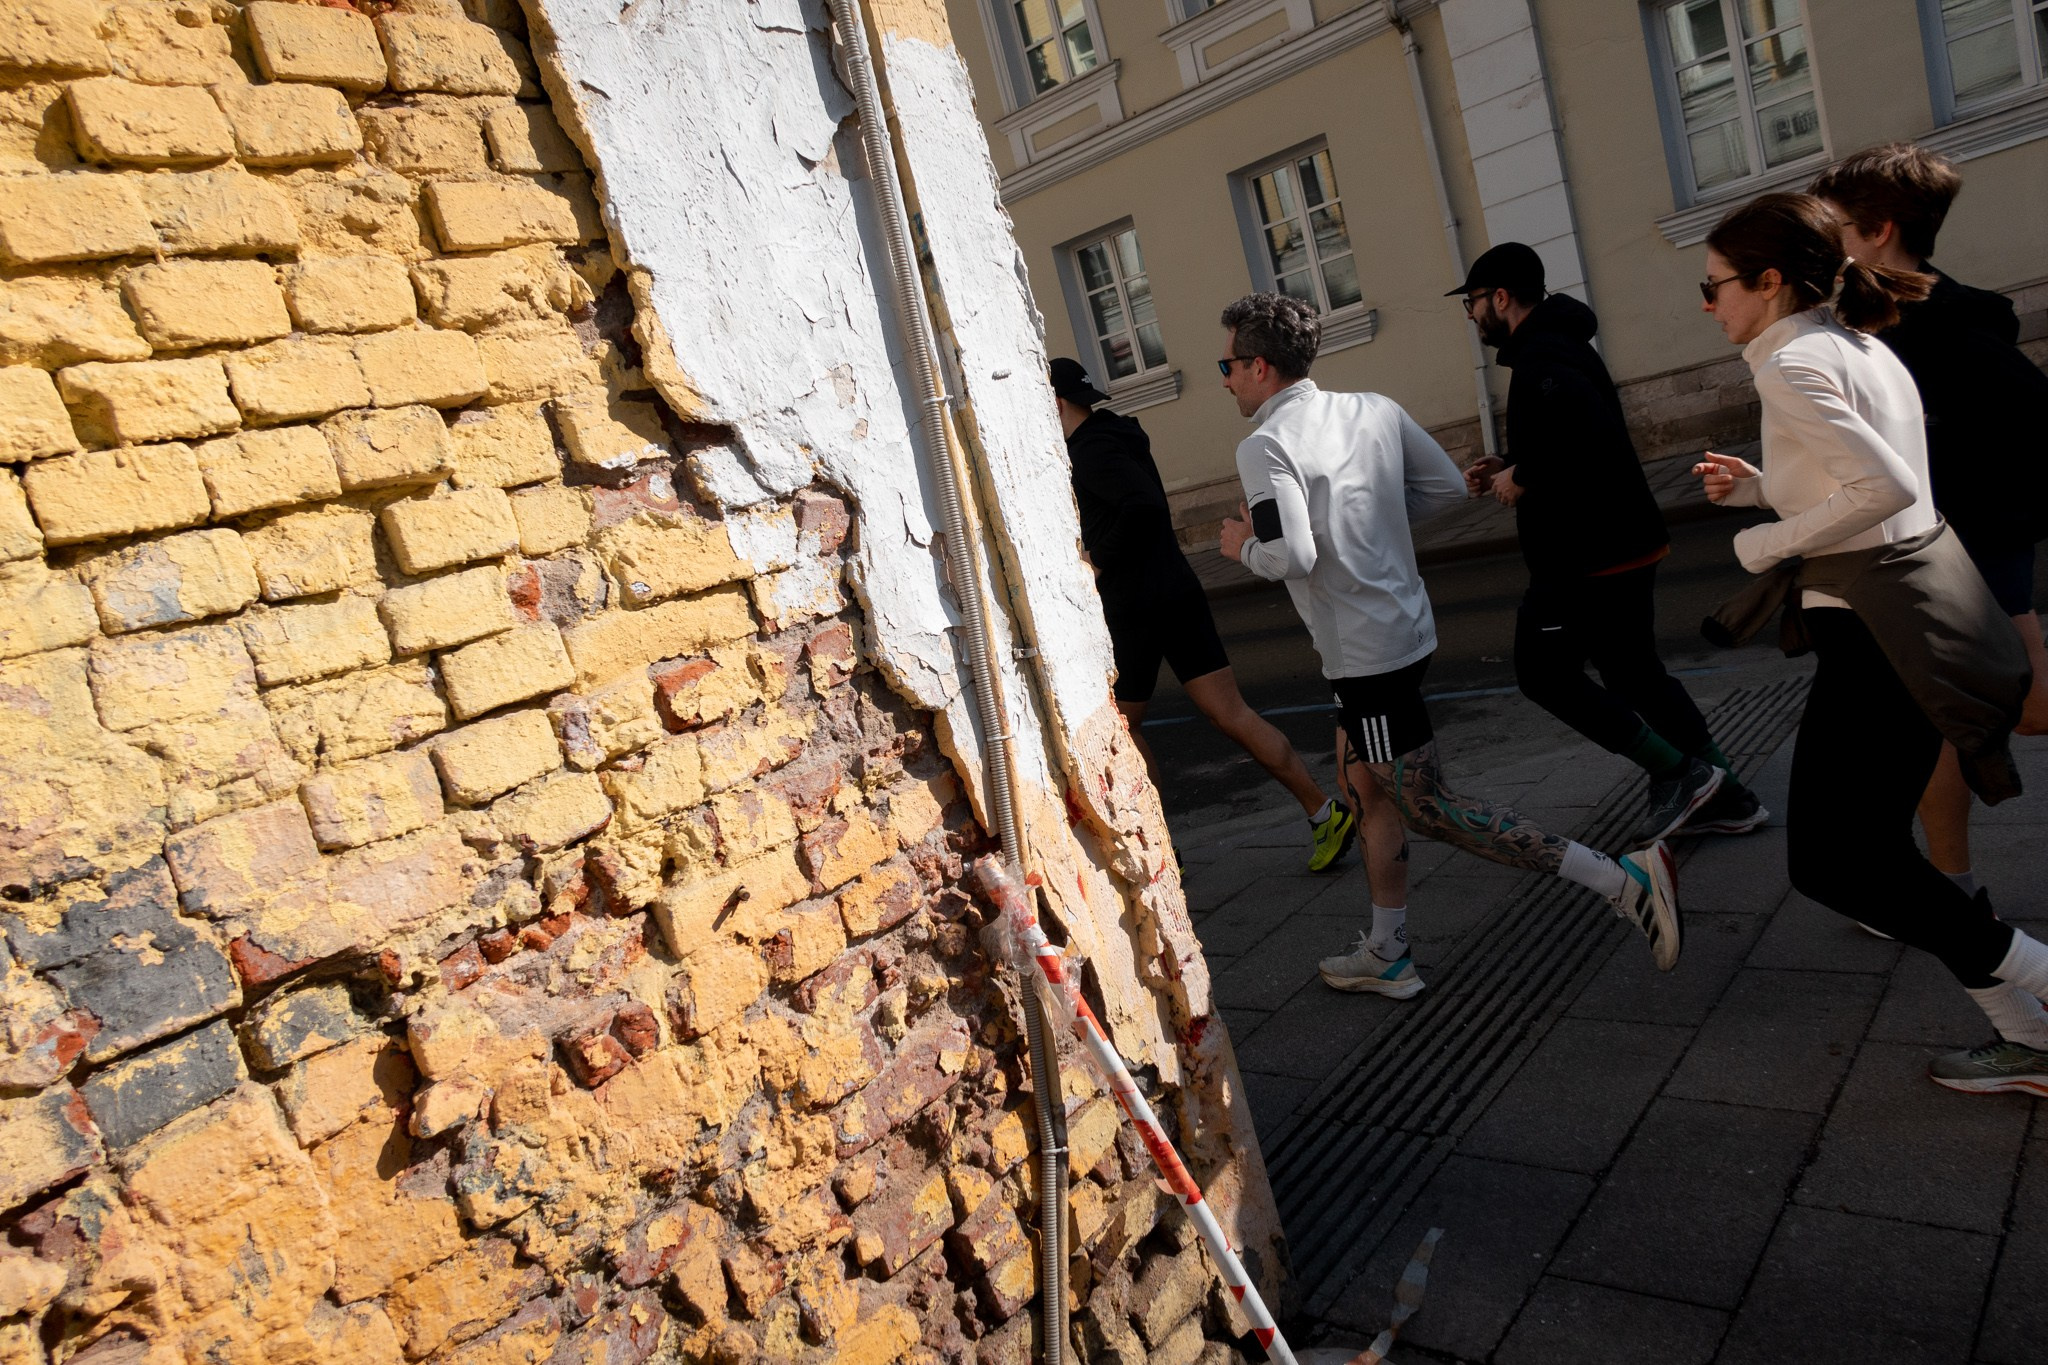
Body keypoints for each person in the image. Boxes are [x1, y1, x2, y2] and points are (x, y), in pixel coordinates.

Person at [1212, 292, 1684, 999]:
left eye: (1227, 365)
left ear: (1259, 366)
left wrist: (1242, 546)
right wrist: (1366, 520)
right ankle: (1388, 952)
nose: (1224, 380)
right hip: (1407, 630)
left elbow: (1292, 555)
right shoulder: (1372, 407)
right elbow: (1442, 489)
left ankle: (1622, 880)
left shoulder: (1264, 444)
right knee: (1364, 788)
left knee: (1428, 808)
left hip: (1366, 658)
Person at [1691, 192, 2048, 1096]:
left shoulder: (1791, 363)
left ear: (1769, 281)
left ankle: (2040, 987)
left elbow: (1883, 487)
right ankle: (2028, 1035)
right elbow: (1872, 479)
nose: (1708, 304)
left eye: (1714, 285)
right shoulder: (1857, 344)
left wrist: (1764, 541)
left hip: (1877, 628)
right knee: (1877, 859)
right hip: (1911, 613)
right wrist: (1764, 487)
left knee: (1834, 862)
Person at [1451, 242, 1764, 845]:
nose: (1471, 315)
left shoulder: (1542, 356)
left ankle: (1682, 775)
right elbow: (1570, 431)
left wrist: (1525, 474)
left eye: (1473, 303)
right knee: (1635, 675)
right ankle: (1727, 796)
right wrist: (1510, 462)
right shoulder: (1556, 345)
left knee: (1544, 674)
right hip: (1618, 540)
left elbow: (1587, 436)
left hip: (1584, 554)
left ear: (1500, 297)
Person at [1809, 143, 2048, 915]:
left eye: (1833, 225)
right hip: (1918, 562)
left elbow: (2031, 425)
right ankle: (1951, 888)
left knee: (2032, 709)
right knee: (1934, 729)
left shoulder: (1938, 328)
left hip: (1973, 554)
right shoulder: (1869, 324)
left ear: (1879, 229)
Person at [1053, 358, 1356, 872]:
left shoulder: (1090, 452)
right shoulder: (1119, 435)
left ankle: (1160, 851)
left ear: (1056, 404)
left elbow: (1142, 507)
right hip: (1176, 590)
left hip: (1134, 606)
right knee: (1231, 713)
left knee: (1122, 727)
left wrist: (1096, 559)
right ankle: (1323, 812)